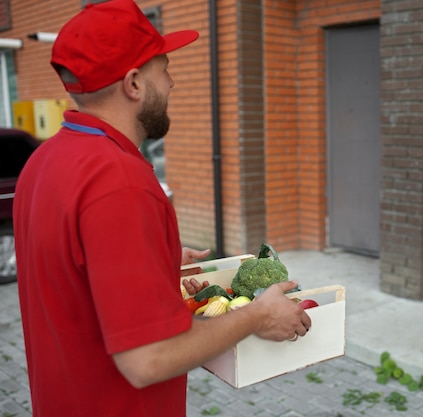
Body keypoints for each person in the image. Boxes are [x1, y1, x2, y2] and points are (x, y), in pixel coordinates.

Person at [13, 1, 311, 416]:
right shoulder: (119, 181)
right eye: (164, 68)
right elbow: (147, 359)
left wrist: (155, 261)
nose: (172, 83)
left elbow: (70, 273)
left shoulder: (43, 161)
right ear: (134, 84)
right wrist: (257, 317)